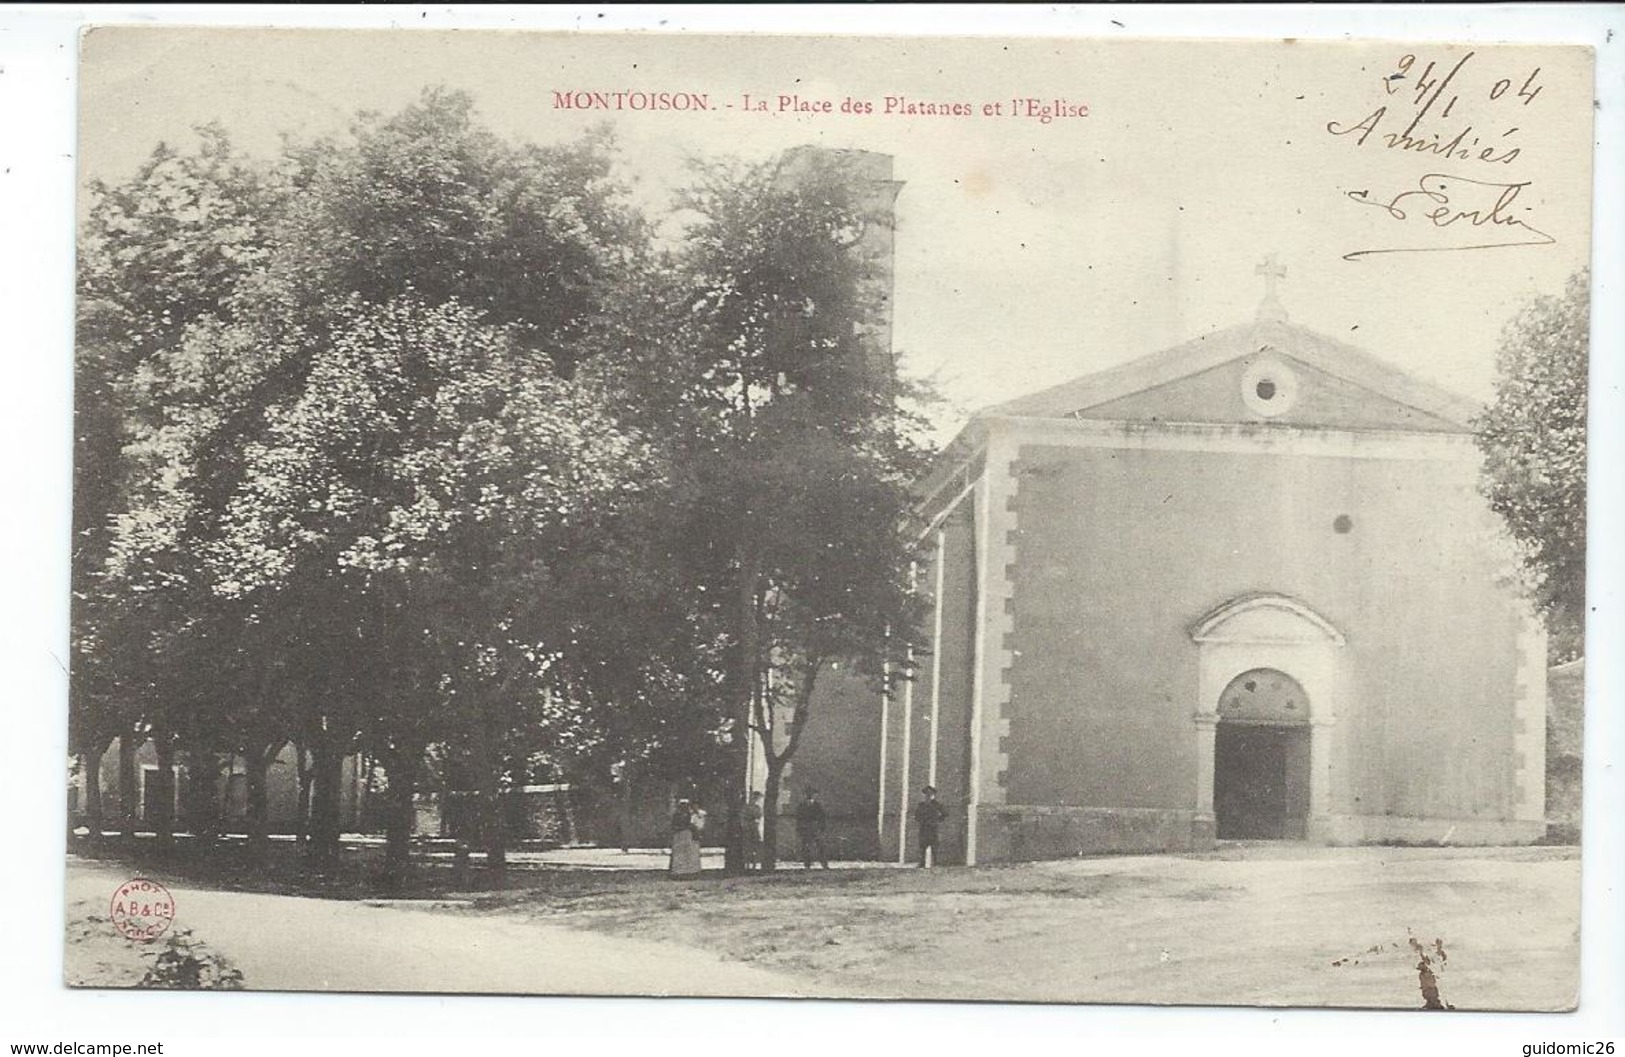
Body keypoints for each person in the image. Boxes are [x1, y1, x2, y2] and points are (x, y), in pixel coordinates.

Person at [669, 797, 703, 879]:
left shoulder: (691, 815)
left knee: (689, 855)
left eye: (686, 806)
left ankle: (691, 873)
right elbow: (674, 826)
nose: (684, 808)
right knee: (679, 855)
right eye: (682, 806)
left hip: (688, 836)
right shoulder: (676, 815)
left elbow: (695, 825)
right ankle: (678, 873)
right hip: (679, 837)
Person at [795, 788, 829, 869]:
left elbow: (822, 818)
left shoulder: (818, 806)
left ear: (815, 795)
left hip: (815, 828)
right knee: (806, 847)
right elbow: (799, 818)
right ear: (805, 795)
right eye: (808, 794)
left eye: (812, 794)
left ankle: (824, 864)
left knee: (821, 846)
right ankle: (807, 864)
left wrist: (822, 828)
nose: (809, 796)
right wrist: (799, 828)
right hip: (805, 828)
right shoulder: (801, 806)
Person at [914, 785, 948, 867]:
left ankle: (935, 863)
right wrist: (921, 820)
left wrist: (938, 820)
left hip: (933, 827)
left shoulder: (936, 804)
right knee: (922, 846)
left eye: (930, 794)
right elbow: (916, 815)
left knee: (934, 846)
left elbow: (945, 813)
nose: (928, 795)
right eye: (926, 794)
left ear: (933, 794)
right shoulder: (921, 805)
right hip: (924, 828)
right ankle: (922, 863)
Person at [741, 791, 765, 871]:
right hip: (752, 828)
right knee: (750, 847)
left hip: (752, 828)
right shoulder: (753, 808)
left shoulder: (750, 807)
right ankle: (749, 865)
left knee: (751, 847)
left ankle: (751, 865)